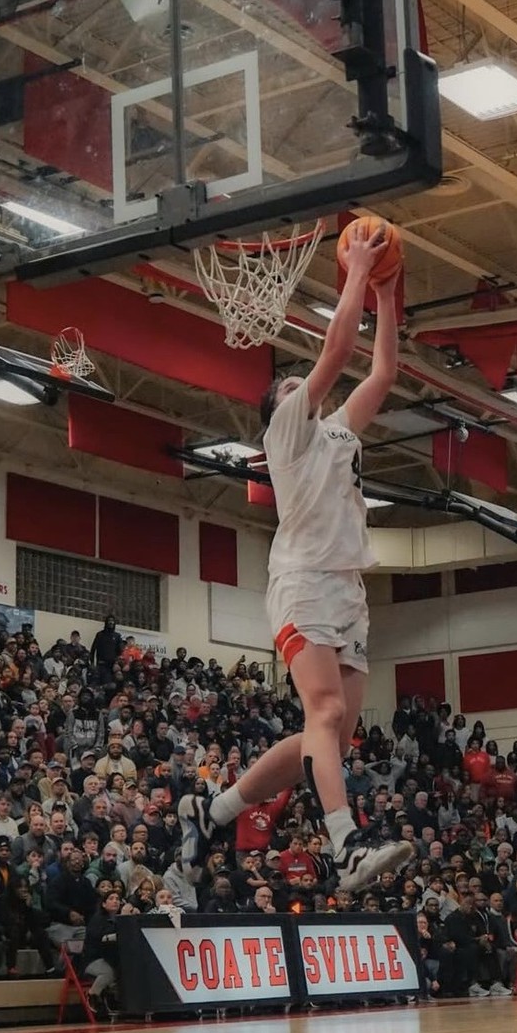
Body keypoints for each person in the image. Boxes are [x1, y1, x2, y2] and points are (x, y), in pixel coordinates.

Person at [179, 221, 412, 892]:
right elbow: (338, 350)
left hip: (346, 589)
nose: (297, 385)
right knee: (326, 716)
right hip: (301, 581)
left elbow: (383, 370)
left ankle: (216, 809)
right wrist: (359, 273)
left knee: (331, 741)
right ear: (277, 408)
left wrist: (389, 297)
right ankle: (347, 846)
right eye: (287, 384)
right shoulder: (286, 432)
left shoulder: (336, 432)